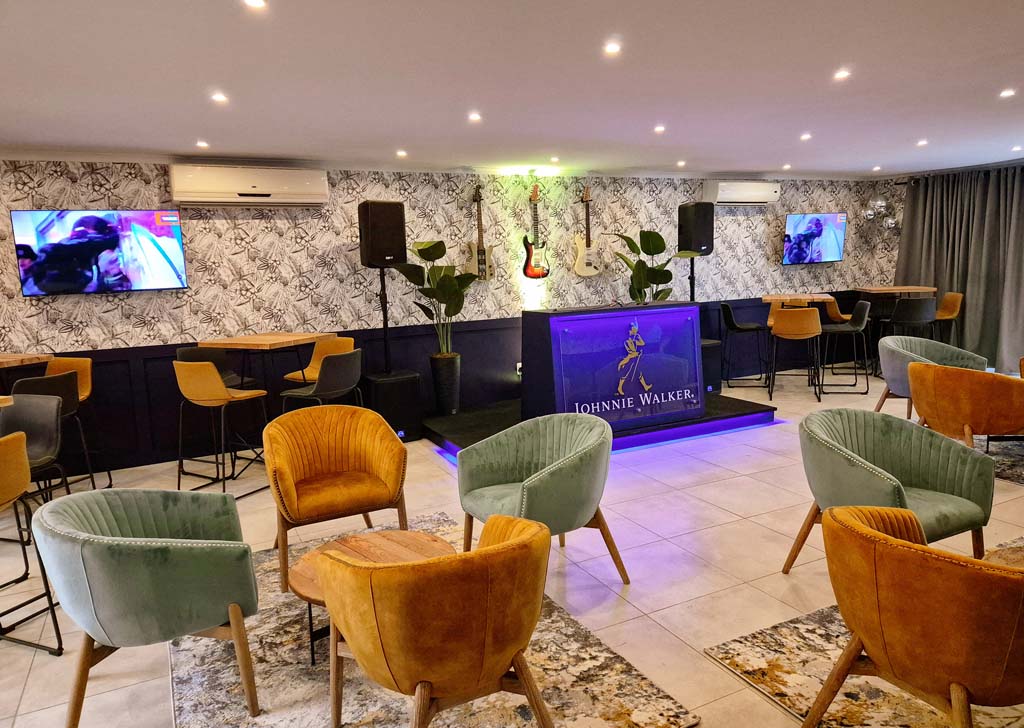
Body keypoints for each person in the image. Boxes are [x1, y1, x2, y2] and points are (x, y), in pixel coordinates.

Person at [617, 321, 653, 395]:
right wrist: (638, 353)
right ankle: (619, 388)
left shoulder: (633, 340)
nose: (635, 331)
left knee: (639, 373)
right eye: (634, 329)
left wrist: (639, 337)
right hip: (629, 360)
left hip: (634, 359)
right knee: (625, 374)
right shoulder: (627, 341)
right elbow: (631, 352)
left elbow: (642, 343)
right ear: (630, 330)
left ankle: (645, 387)